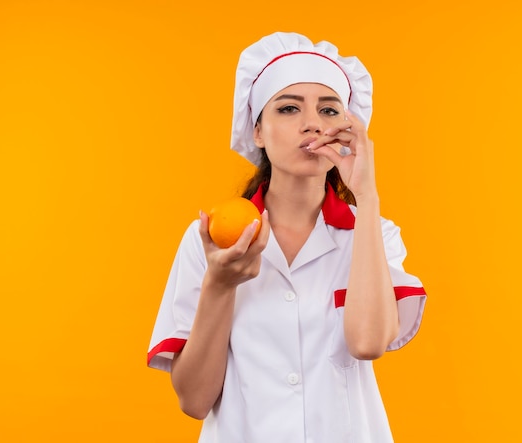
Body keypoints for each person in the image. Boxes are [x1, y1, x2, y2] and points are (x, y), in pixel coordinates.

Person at [147, 31, 427, 442]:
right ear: (257, 131)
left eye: (330, 110)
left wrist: (367, 197)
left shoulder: (373, 233)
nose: (313, 123)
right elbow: (194, 400)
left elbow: (367, 343)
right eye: (289, 107)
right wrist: (220, 286)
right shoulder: (209, 239)